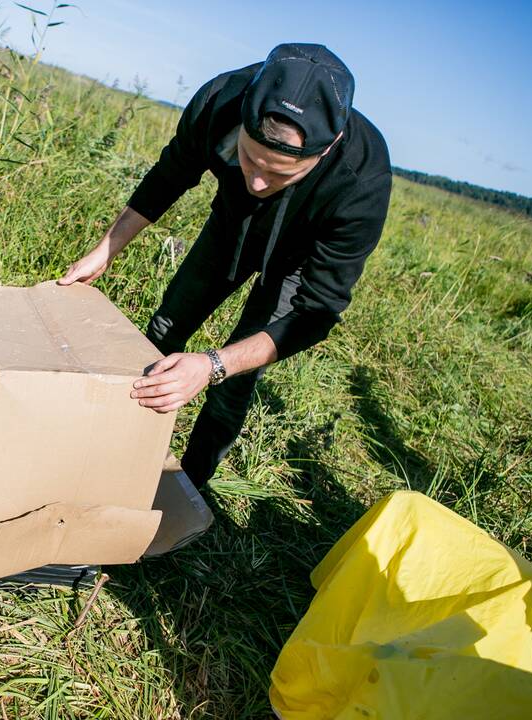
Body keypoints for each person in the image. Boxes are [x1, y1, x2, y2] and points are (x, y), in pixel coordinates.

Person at [57, 43, 392, 488]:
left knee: (234, 381)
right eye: (249, 157)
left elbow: (316, 311)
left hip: (299, 259)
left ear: (327, 149)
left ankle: (184, 491)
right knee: (164, 327)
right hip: (230, 224)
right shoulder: (221, 99)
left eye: (279, 175)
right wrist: (107, 247)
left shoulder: (362, 181)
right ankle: (110, 450)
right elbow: (171, 174)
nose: (256, 181)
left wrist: (213, 364)